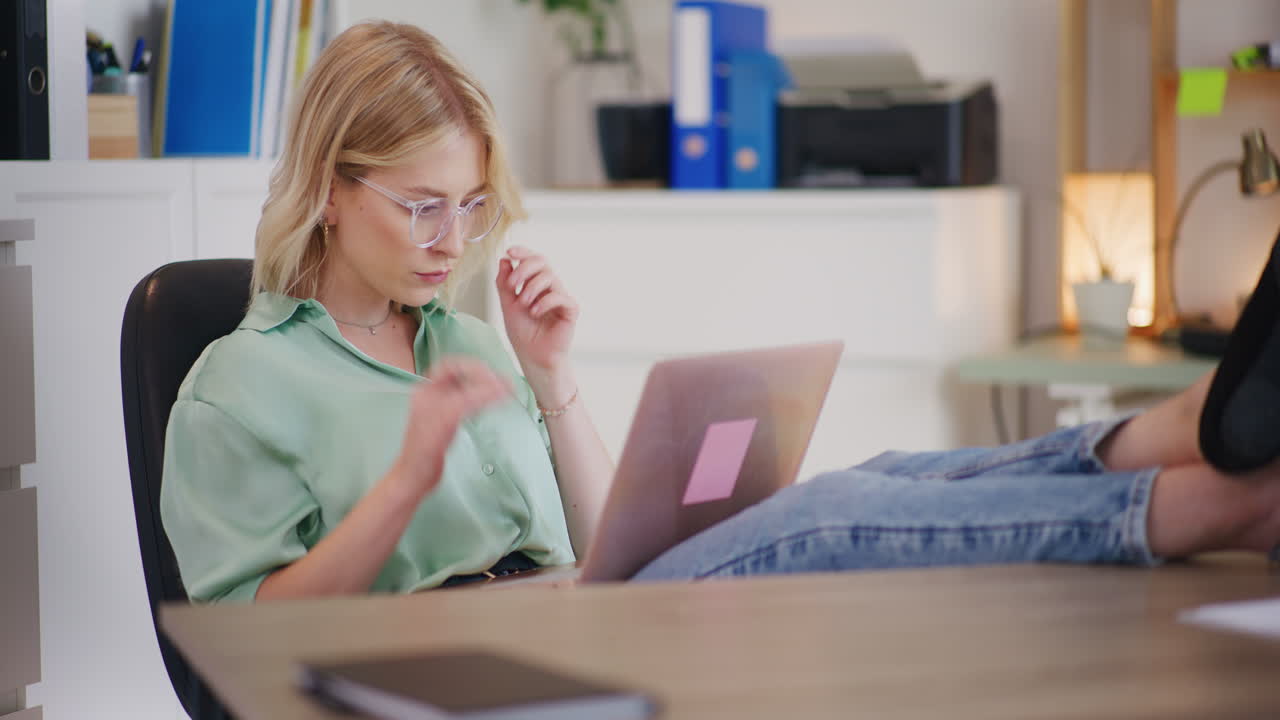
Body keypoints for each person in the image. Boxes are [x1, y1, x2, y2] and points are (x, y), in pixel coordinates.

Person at [160, 21, 1280, 603]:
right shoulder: (238, 384)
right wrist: (406, 478)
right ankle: (1217, 508)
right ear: (327, 190)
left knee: (883, 473)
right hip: (445, 650)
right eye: (419, 208)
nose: (453, 241)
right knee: (820, 523)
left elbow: (600, 550)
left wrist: (552, 376)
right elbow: (248, 637)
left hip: (565, 611)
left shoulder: (458, 337)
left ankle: (1180, 433)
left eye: (468, 207)